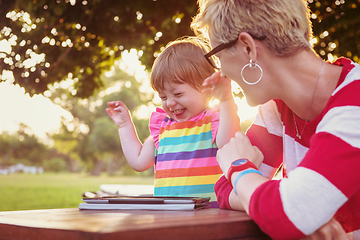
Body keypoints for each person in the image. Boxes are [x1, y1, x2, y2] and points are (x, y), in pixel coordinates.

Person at [191, 0, 360, 239]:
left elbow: (285, 212)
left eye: (216, 56)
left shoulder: (355, 102)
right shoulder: (278, 107)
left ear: (248, 48)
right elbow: (224, 188)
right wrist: (286, 205)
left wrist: (239, 167)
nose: (221, 72)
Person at [106, 37, 240, 204]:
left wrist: (226, 98)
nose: (169, 102)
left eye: (178, 94)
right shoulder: (163, 128)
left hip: (208, 214)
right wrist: (125, 125)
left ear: (207, 88)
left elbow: (228, 143)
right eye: (163, 96)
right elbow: (138, 161)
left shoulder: (213, 121)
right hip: (169, 214)